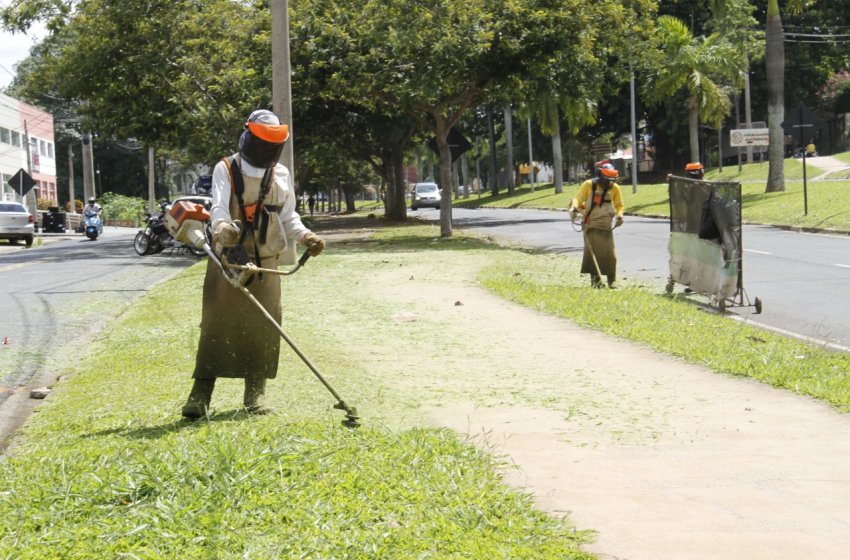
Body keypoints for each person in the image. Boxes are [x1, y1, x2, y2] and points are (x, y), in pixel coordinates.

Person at [182, 109, 326, 419]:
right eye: (262, 142)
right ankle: (200, 395)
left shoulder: (282, 174)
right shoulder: (226, 168)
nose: (266, 150)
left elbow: (288, 217)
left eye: (272, 144)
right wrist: (222, 230)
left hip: (266, 262)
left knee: (265, 326)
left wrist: (306, 237)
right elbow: (218, 208)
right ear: (248, 137)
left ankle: (255, 395)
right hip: (229, 260)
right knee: (215, 326)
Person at [569, 162, 625, 289]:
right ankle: (596, 281)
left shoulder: (615, 188)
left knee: (611, 255)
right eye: (607, 179)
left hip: (605, 225)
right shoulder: (588, 185)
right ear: (600, 175)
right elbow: (578, 199)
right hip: (590, 224)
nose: (609, 182)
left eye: (611, 180)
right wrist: (574, 207)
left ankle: (612, 281)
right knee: (592, 253)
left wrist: (620, 215)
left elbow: (619, 205)